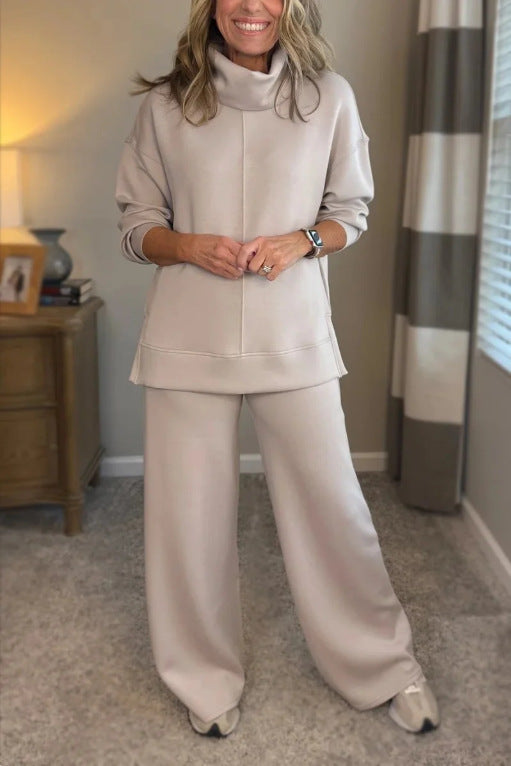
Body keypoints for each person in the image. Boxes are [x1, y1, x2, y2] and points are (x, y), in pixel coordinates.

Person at [115, 0, 440, 739]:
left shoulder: (329, 98)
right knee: (186, 522)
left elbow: (350, 210)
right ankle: (203, 679)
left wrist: (302, 241)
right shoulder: (165, 106)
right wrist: (189, 245)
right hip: (187, 339)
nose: (250, 6)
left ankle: (382, 665)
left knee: (333, 511)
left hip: (292, 334)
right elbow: (136, 224)